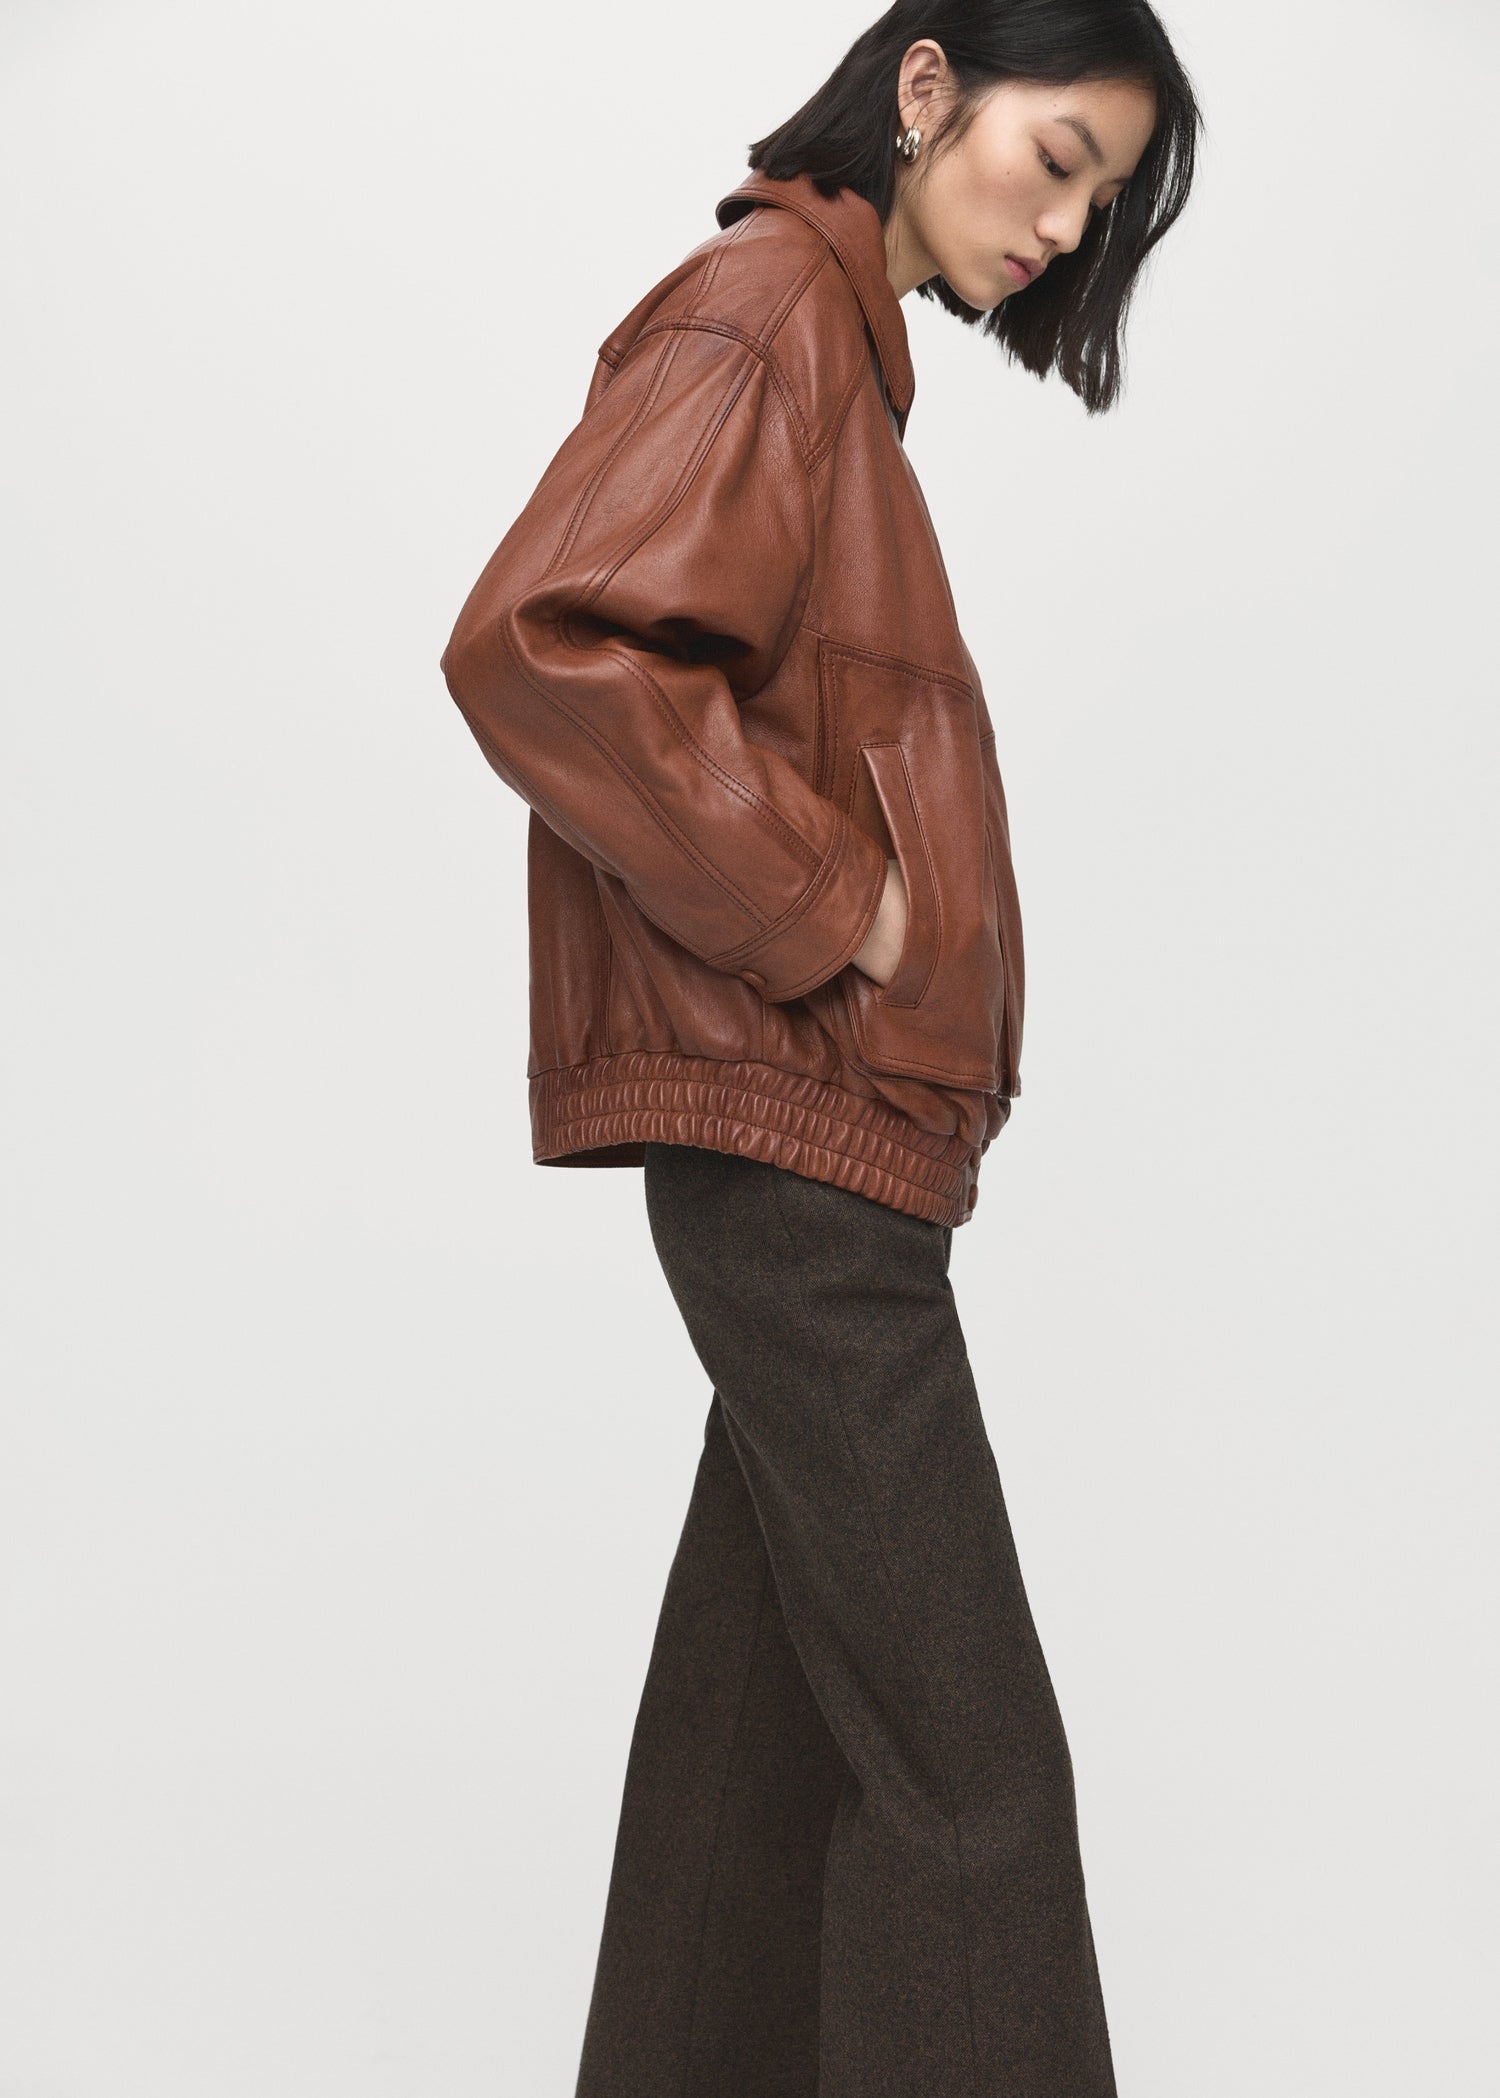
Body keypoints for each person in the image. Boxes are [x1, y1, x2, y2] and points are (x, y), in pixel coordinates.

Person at [439, 4, 1200, 2091]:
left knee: (754, 1768)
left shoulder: (828, 356)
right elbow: (541, 639)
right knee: (971, 1778)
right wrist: (828, 901)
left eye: (1102, 203)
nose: (1067, 228)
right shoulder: (768, 308)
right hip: (799, 1165)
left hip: (820, 1153)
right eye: (1062, 161)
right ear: (928, 87)